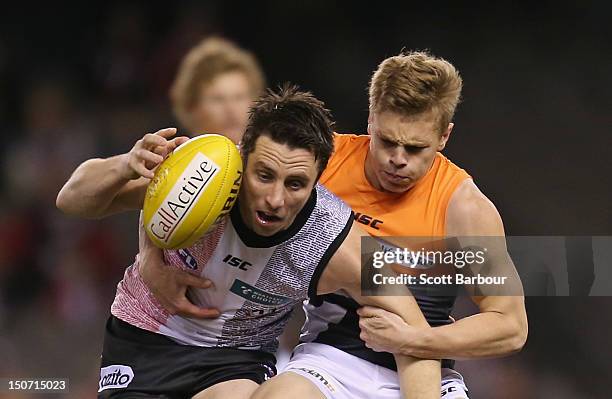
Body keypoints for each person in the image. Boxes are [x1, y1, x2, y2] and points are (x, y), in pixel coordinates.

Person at [140, 51, 528, 399]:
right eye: (387, 140)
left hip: (426, 374)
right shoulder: (319, 163)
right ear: (371, 119)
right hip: (330, 361)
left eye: (414, 148)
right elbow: (188, 183)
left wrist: (418, 338)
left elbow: (509, 325)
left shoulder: (465, 209)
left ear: (444, 136)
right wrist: (149, 256)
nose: (397, 159)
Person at [56, 86, 441, 399]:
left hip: (234, 362)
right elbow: (71, 200)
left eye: (295, 184)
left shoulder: (334, 239)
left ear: (319, 179)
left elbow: (415, 331)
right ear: (243, 158)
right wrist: (124, 164)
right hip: (144, 339)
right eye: (264, 175)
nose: (275, 199)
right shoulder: (206, 175)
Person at [170, 36, 265, 142]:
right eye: (217, 99)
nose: (231, 109)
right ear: (191, 106)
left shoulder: (275, 156)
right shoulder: (172, 157)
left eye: (239, 97)